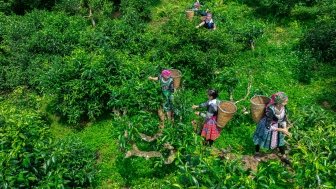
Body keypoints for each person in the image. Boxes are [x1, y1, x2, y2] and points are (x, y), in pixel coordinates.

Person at [253, 92, 291, 164]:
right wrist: (282, 130)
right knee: (260, 140)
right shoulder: (270, 109)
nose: (287, 102)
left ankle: (283, 156)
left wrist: (285, 128)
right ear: (279, 102)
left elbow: (283, 118)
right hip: (266, 126)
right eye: (285, 100)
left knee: (280, 141)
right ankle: (257, 153)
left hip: (277, 125)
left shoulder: (283, 107)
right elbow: (268, 126)